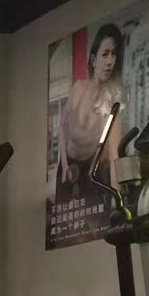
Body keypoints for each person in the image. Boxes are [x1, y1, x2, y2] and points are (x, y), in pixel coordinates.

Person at [58, 23, 125, 198]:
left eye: (114, 53)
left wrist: (117, 196)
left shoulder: (113, 101)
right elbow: (62, 126)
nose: (110, 61)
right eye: (105, 54)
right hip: (68, 165)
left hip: (92, 171)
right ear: (94, 59)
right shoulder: (78, 88)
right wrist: (64, 166)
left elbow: (114, 154)